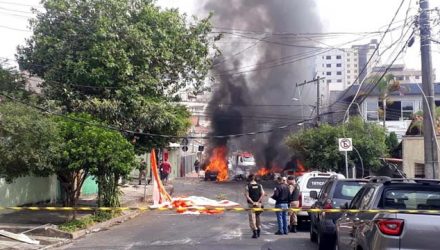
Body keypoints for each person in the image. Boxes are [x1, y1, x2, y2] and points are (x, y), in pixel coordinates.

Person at [245, 174, 265, 238]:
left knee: (252, 219)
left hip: (251, 205)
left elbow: (247, 196)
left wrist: (253, 202)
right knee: (258, 217)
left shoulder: (248, 186)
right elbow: (262, 194)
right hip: (258, 204)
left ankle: (255, 232)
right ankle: (258, 230)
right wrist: (258, 202)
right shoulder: (260, 185)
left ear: (249, 179)